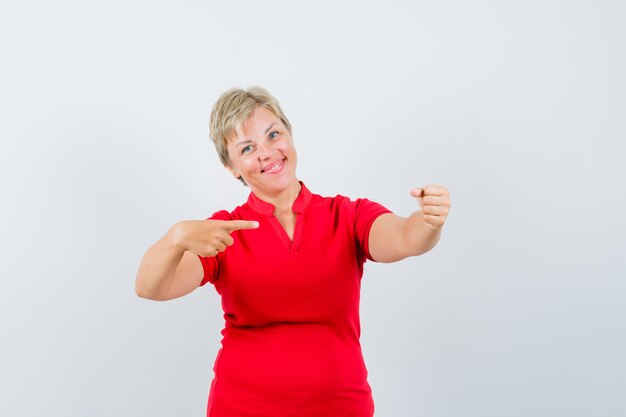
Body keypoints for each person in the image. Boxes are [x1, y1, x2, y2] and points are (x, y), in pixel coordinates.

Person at [135, 87, 451, 417]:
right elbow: (150, 287)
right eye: (247, 148)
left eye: (274, 134)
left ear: (290, 134)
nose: (267, 152)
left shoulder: (347, 216)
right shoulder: (224, 231)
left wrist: (429, 221)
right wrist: (176, 238)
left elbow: (405, 238)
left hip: (341, 407)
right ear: (232, 168)